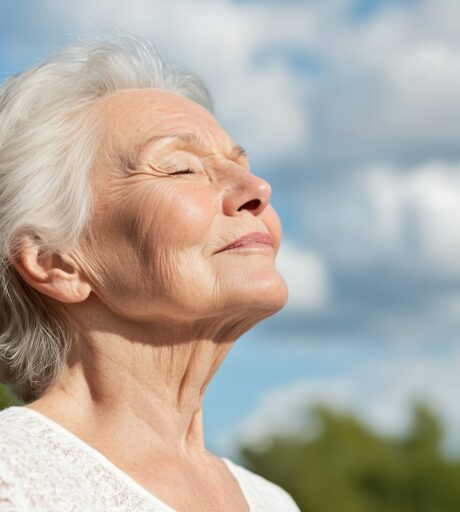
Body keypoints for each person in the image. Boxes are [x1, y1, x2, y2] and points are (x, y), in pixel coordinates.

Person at [0, 35, 300, 511]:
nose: (257, 189)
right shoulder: (13, 480)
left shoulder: (272, 501)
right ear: (53, 260)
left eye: (243, 166)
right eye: (181, 170)